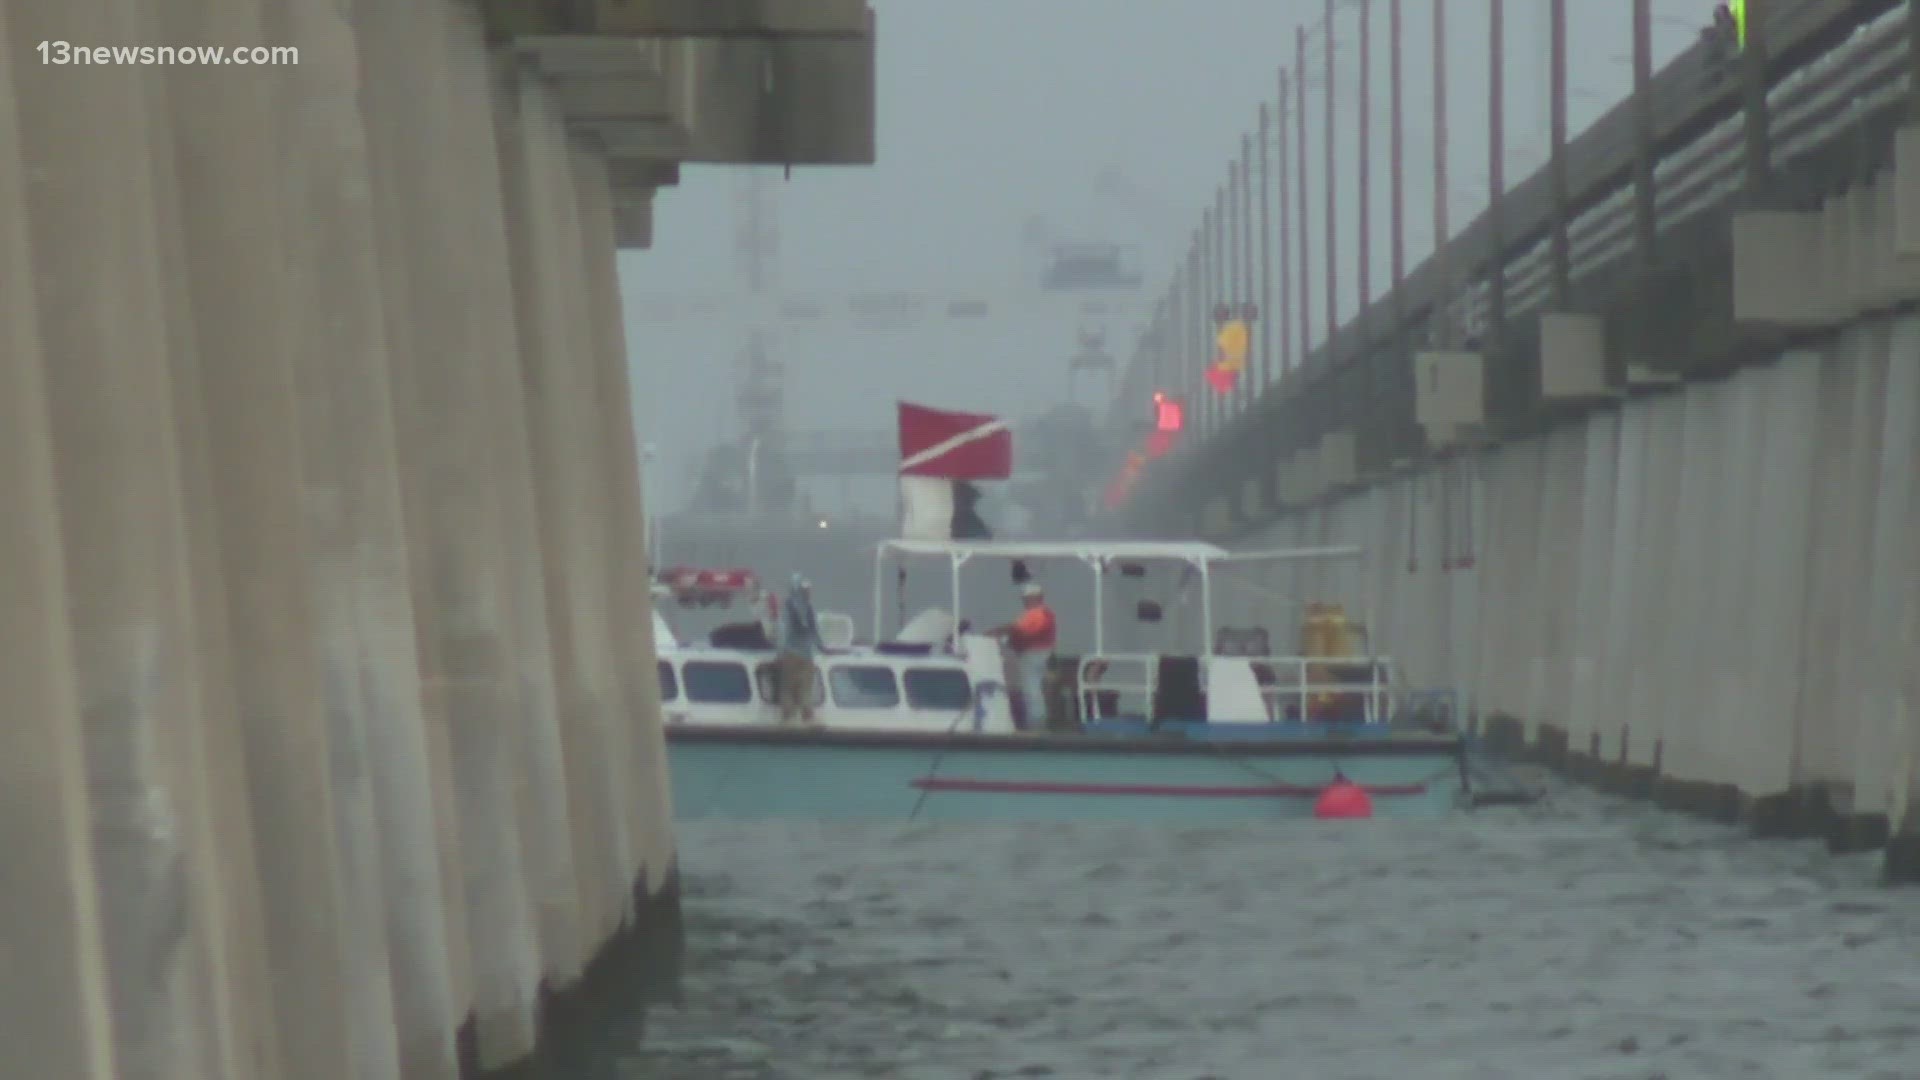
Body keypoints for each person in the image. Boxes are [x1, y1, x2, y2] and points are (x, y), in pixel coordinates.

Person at [989, 582, 1057, 730]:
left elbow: (1019, 630)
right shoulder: (1038, 614)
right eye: (1024, 598)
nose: (1025, 601)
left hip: (1035, 655)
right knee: (1033, 690)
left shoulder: (1039, 614)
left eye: (1027, 598)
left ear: (1036, 598)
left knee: (1032, 690)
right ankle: (1035, 721)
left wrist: (997, 632)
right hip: (1036, 655)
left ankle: (1036, 724)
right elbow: (1018, 630)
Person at [776, 574, 822, 725]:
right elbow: (815, 632)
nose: (809, 592)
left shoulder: (788, 606)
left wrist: (780, 651)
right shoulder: (809, 607)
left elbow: (783, 629)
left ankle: (788, 718)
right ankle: (807, 717)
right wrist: (821, 647)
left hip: (791, 653)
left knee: (788, 686)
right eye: (807, 589)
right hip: (806, 654)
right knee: (805, 687)